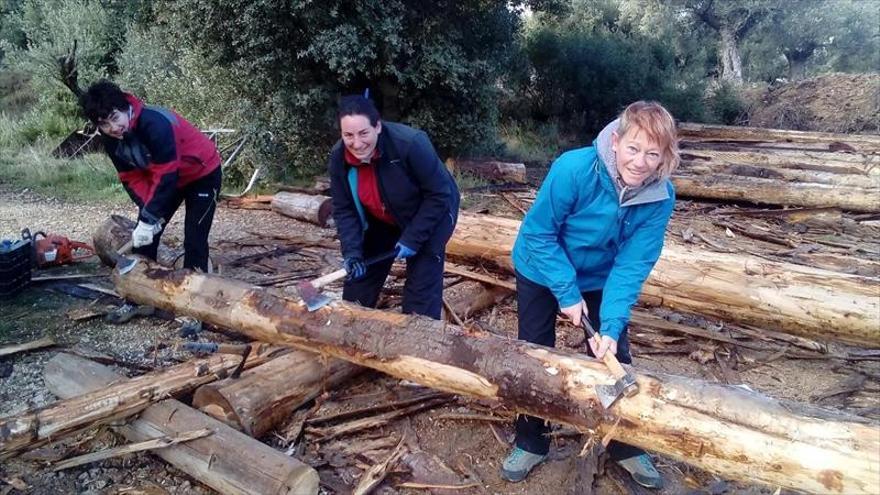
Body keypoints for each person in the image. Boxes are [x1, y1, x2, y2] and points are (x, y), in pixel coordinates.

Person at [501, 101, 680, 488]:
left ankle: (626, 445)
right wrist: (566, 292)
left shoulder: (660, 197)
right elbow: (539, 233)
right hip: (540, 265)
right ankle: (531, 440)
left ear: (664, 156)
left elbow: (633, 264)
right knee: (535, 351)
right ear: (616, 141)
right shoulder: (574, 168)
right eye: (633, 148)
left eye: (653, 153)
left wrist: (612, 325)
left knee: (615, 355)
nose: (640, 162)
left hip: (599, 276)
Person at [80, 80, 222, 335]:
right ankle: (138, 299)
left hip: (202, 173)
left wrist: (150, 217)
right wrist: (147, 215)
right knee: (144, 241)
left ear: (125, 107)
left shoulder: (155, 123)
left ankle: (193, 309)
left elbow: (167, 174)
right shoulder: (111, 138)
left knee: (195, 241)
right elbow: (131, 177)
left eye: (115, 118)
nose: (113, 128)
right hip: (167, 179)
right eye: (104, 124)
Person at [328, 95, 459, 319]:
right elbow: (344, 209)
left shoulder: (410, 144)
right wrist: (352, 252)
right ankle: (351, 336)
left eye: (363, 133)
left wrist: (413, 238)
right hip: (381, 217)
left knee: (420, 294)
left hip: (431, 213)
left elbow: (439, 195)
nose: (357, 144)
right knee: (358, 286)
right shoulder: (339, 157)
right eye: (348, 135)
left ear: (377, 126)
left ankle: (418, 345)